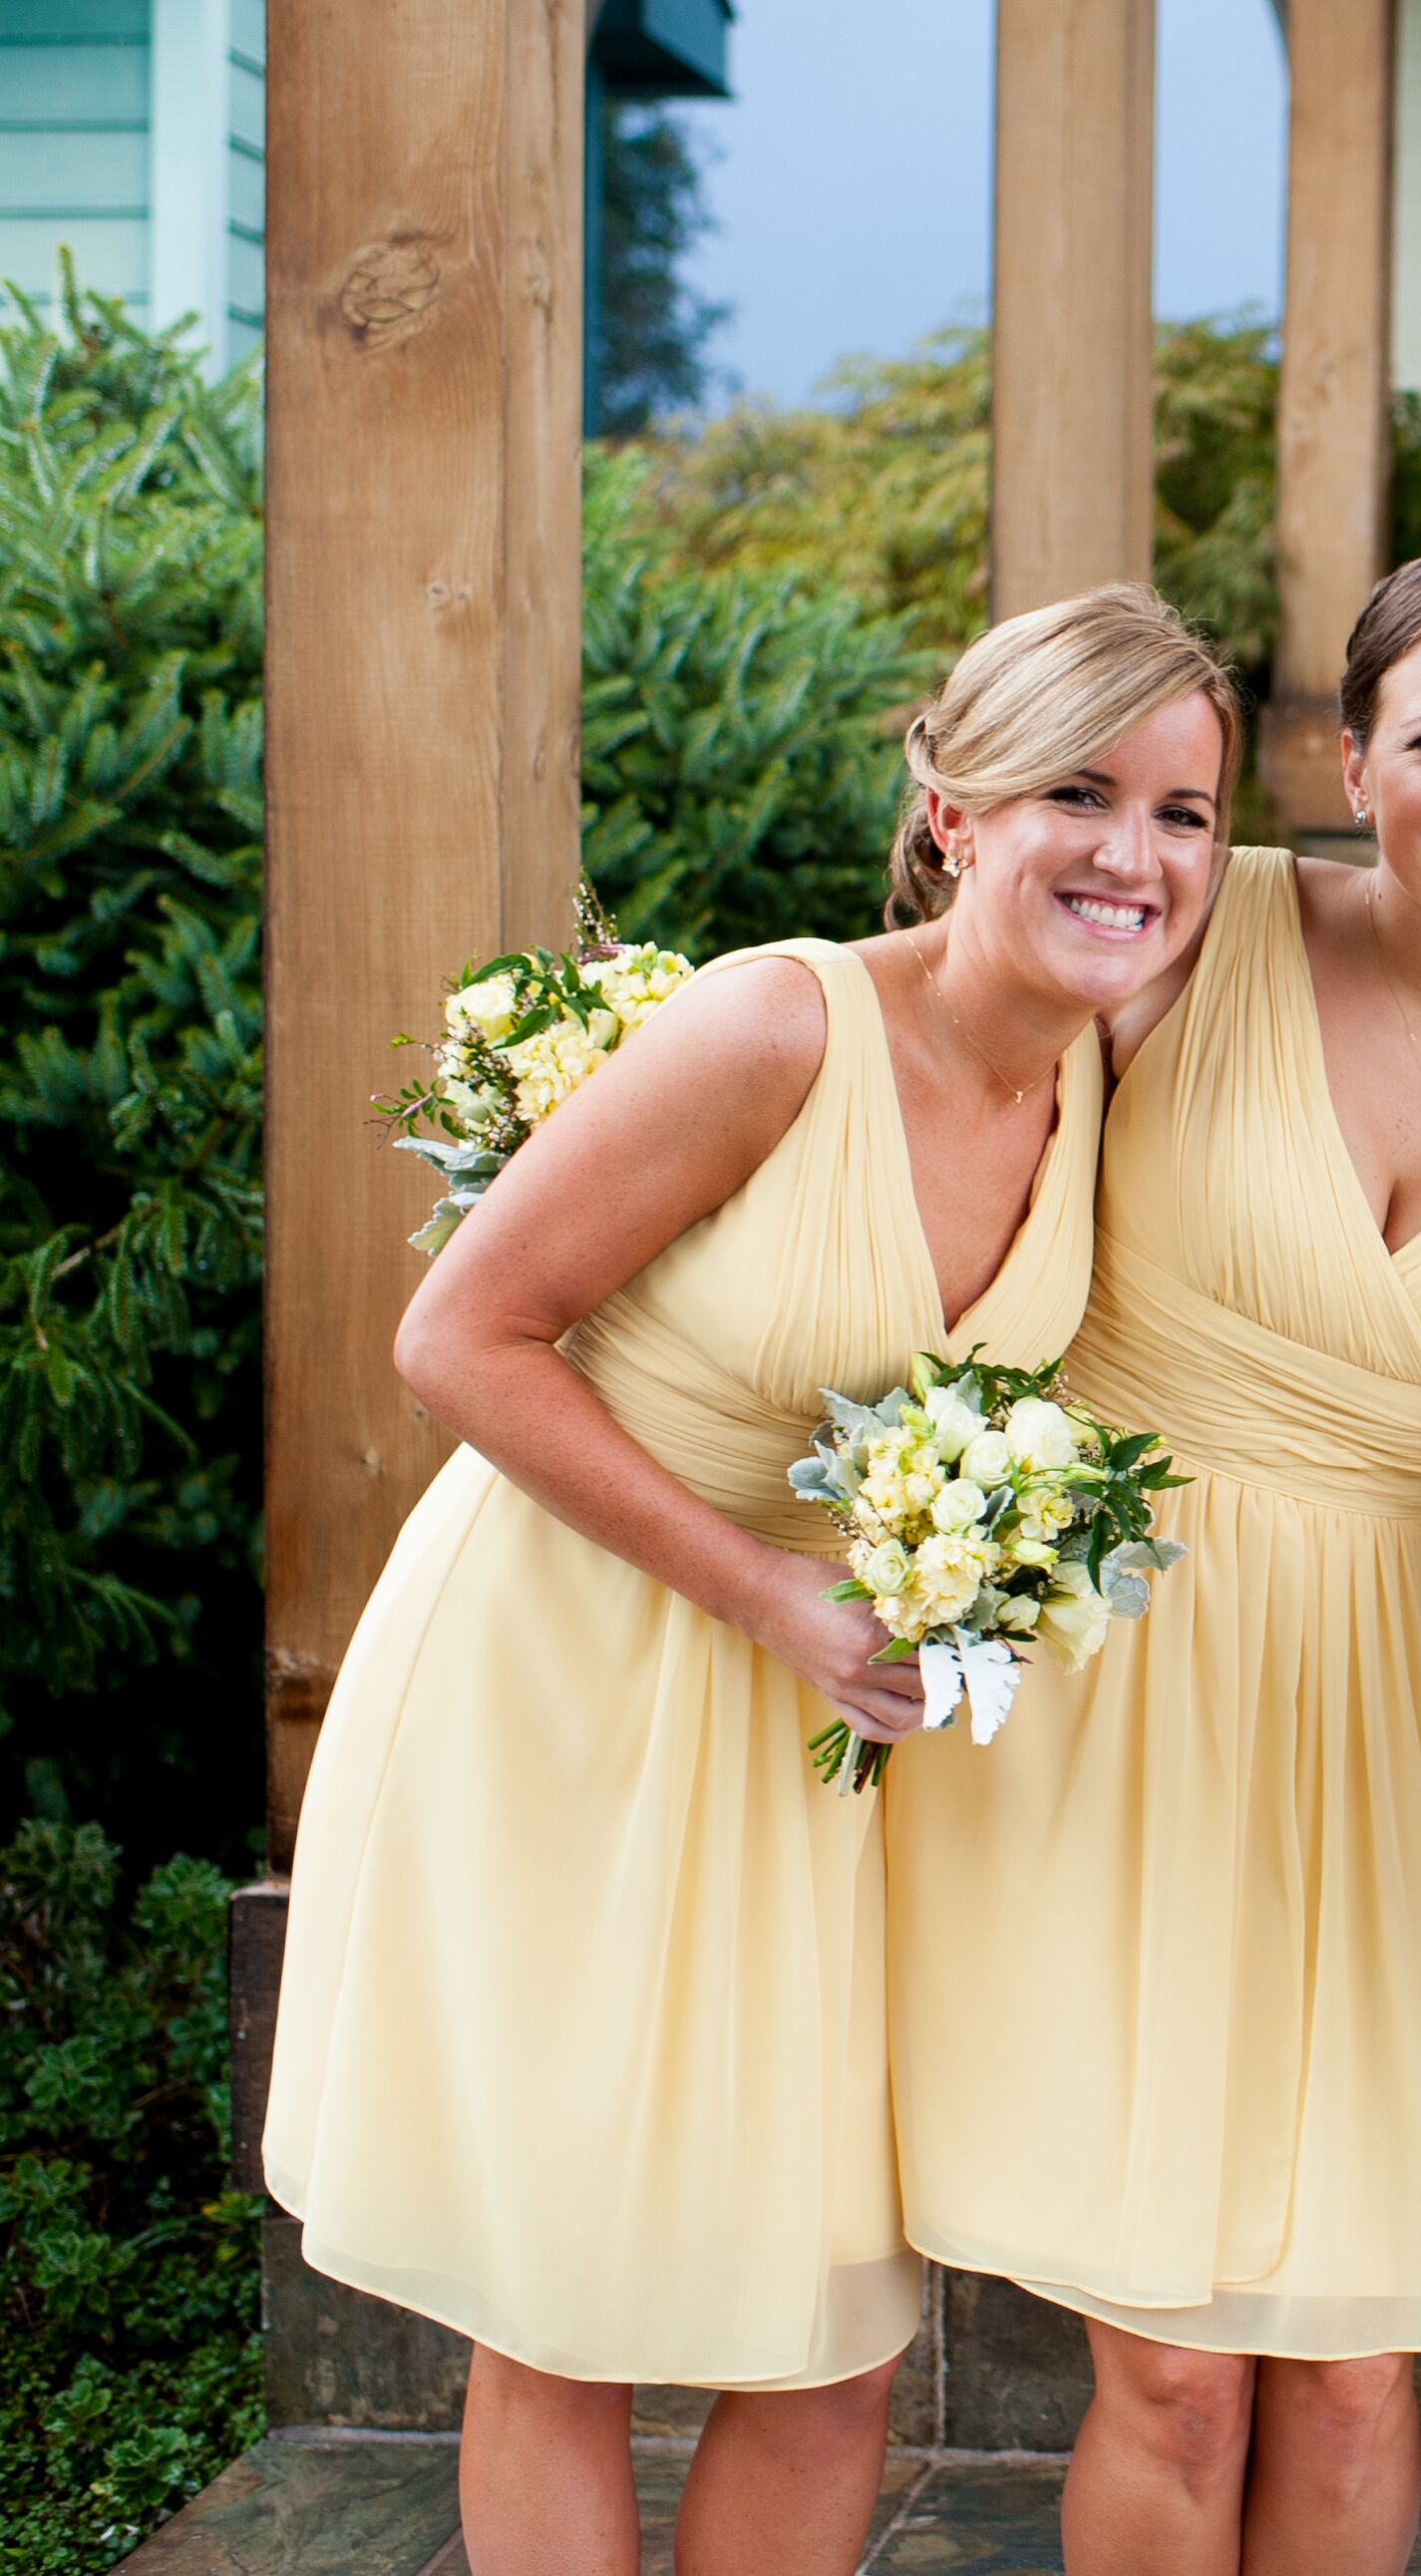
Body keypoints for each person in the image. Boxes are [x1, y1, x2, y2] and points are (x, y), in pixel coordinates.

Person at [263, 585, 1237, 2576]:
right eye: (1077, 788)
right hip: (576, 1678)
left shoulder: (1105, 1088)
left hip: (824, 1742)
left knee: (828, 2337)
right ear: (952, 806)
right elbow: (460, 1338)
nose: (1133, 853)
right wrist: (767, 1591)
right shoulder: (777, 1021)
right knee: (573, 2304)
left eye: (1187, 810)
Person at [884, 548, 1421, 2576]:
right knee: (1181, 2364)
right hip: (1123, 1690)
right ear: (1350, 761)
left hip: (1374, 1715)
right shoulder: (1199, 931)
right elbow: (941, 1093)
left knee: (1366, 2359)